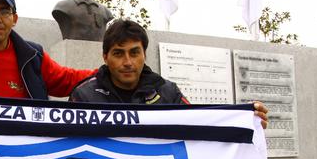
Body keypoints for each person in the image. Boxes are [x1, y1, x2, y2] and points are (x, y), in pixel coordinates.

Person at [69, 19, 269, 128]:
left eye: (134, 52)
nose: (128, 62)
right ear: (105, 57)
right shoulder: (84, 95)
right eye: (119, 53)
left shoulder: (167, 92)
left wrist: (246, 119)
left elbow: (200, 121)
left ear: (144, 54)